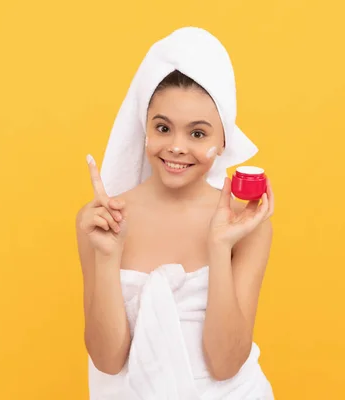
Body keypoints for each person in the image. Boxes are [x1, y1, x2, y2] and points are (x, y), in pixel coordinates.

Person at [75, 27, 275, 399]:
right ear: (144, 128)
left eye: (198, 134)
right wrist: (107, 257)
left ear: (223, 140)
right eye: (163, 128)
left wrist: (218, 246)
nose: (177, 147)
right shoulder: (103, 221)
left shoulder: (247, 226)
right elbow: (107, 360)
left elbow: (226, 363)